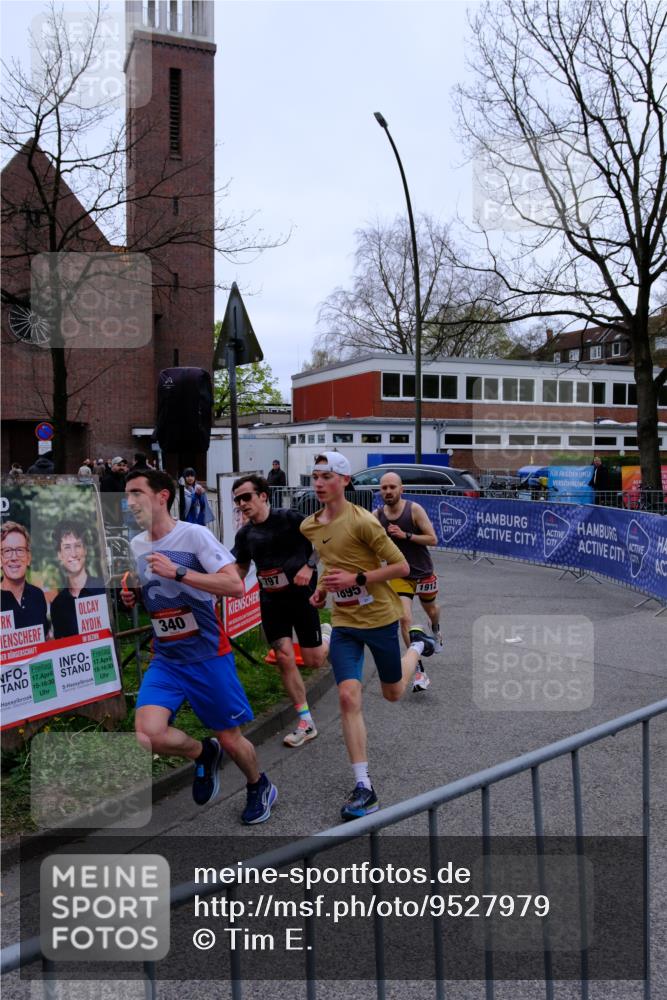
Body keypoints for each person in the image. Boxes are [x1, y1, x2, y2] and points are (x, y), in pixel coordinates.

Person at [121, 468, 277, 824]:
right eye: (127, 495)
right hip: (168, 657)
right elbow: (157, 595)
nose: (129, 502)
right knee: (148, 734)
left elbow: (234, 585)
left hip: (206, 653)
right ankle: (203, 753)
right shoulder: (137, 544)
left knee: (232, 738)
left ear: (162, 496)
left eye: (136, 493)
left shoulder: (194, 536)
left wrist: (179, 572)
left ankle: (259, 784)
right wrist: (134, 597)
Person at [300, 452, 435, 821]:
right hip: (344, 622)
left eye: (326, 476)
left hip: (378, 618)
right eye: (315, 476)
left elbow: (402, 566)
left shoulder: (364, 523)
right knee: (347, 695)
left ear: (344, 481)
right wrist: (323, 592)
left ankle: (419, 646)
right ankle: (364, 786)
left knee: (392, 693)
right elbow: (329, 563)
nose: (318, 483)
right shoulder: (309, 526)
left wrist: (356, 580)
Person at [231, 474, 332, 748]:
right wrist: (222, 583)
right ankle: (305, 721)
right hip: (271, 601)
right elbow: (240, 568)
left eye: (246, 497)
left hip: (301, 598)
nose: (242, 503)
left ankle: (327, 638)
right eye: (237, 499)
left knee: (313, 661)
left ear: (263, 495)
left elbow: (323, 541)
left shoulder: (291, 518)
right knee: (285, 656)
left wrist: (309, 567)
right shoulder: (245, 535)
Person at [374, 471, 443, 690]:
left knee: (431, 609)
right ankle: (420, 672)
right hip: (399, 575)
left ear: (401, 489)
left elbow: (433, 539)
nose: (388, 491)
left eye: (392, 487)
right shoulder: (376, 516)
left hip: (423, 572)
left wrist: (406, 536)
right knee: (405, 620)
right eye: (384, 488)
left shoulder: (413, 509)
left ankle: (436, 629)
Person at [50, 521, 106, 639]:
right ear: (59, 555)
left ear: (85, 550)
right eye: (67, 547)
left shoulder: (103, 588)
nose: (74, 554)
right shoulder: (58, 605)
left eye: (78, 546)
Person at [0, 521, 50, 638]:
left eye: (20, 550)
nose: (14, 557)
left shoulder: (38, 596)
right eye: (7, 551)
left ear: (28, 558)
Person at [100, 457, 128, 526]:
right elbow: (106, 498)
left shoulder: (123, 478)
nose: (121, 467)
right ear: (112, 466)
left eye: (123, 465)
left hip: (122, 515)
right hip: (111, 516)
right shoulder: (107, 479)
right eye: (119, 465)